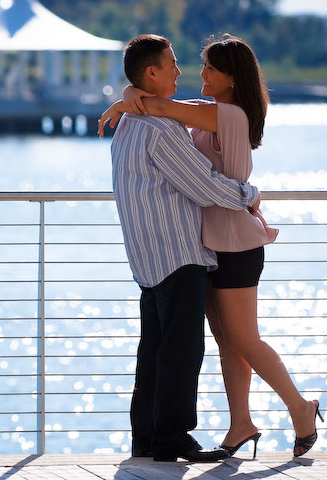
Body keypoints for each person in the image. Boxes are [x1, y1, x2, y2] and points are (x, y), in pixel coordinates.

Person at [99, 34, 323, 458]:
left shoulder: (232, 117)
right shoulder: (203, 113)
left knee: (241, 339)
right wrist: (130, 94)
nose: (196, 74)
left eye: (209, 68)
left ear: (232, 78)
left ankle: (300, 409)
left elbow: (160, 107)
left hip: (234, 241)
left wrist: (248, 194)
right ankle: (241, 421)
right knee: (225, 342)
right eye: (192, 65)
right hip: (205, 243)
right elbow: (156, 102)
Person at [106, 34, 262, 462]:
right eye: (172, 65)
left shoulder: (128, 125)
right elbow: (205, 186)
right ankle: (172, 437)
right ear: (151, 73)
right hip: (177, 252)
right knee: (182, 350)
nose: (181, 72)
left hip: (146, 256)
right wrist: (249, 193)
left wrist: (126, 98)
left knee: (154, 349)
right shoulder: (162, 130)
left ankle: (148, 436)